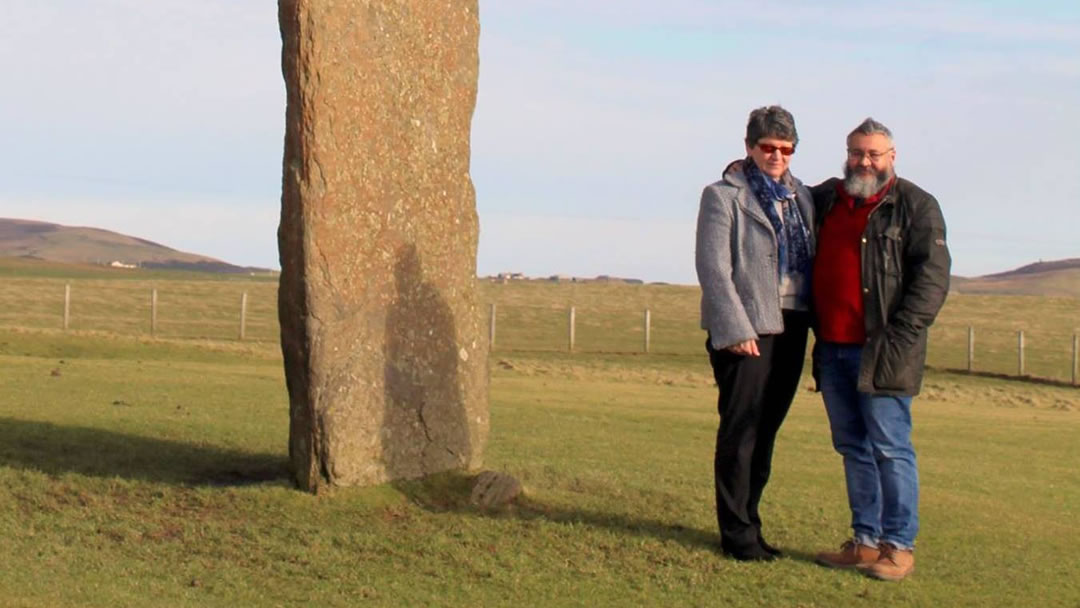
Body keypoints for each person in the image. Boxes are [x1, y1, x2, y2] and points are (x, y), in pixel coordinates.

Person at [811, 118, 950, 581]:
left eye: (874, 154)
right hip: (832, 348)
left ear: (892, 156)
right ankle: (864, 543)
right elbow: (778, 189)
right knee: (853, 447)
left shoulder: (915, 206)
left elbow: (930, 280)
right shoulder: (829, 198)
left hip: (884, 352)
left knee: (891, 448)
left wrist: (901, 337)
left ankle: (899, 546)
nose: (864, 161)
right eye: (856, 153)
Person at [695, 105, 814, 561]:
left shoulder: (800, 197)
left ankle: (752, 524)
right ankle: (737, 535)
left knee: (766, 432)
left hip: (792, 325)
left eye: (786, 149)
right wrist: (734, 328)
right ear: (750, 147)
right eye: (768, 148)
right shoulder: (724, 195)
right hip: (746, 329)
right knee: (741, 430)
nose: (777, 156)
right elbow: (713, 266)